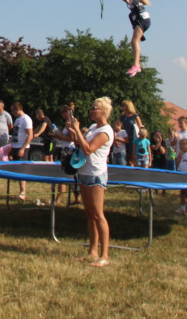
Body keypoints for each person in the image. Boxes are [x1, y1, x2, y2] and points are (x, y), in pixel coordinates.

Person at [66, 96, 114, 267]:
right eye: (92, 107)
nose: (92, 110)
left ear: (104, 111)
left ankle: (104, 255)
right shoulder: (94, 127)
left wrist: (78, 130)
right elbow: (80, 143)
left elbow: (88, 149)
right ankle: (93, 251)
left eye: (96, 108)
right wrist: (73, 131)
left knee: (98, 214)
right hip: (85, 172)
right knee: (89, 214)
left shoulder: (106, 131)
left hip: (95, 174)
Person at [117, 0, 150, 76]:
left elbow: (145, 2)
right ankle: (136, 65)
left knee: (134, 41)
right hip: (138, 20)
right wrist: (126, 1)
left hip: (142, 19)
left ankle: (136, 65)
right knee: (134, 42)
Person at [9, 101, 33, 200]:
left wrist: (23, 148)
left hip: (22, 148)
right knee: (17, 171)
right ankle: (21, 190)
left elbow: (30, 135)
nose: (12, 113)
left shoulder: (26, 119)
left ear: (18, 109)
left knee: (21, 170)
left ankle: (23, 192)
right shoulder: (17, 120)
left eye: (13, 111)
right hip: (15, 147)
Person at [119, 100, 143, 166]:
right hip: (125, 137)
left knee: (133, 153)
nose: (122, 107)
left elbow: (140, 126)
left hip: (133, 137)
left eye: (124, 105)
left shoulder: (134, 116)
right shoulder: (123, 116)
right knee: (126, 154)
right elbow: (119, 126)